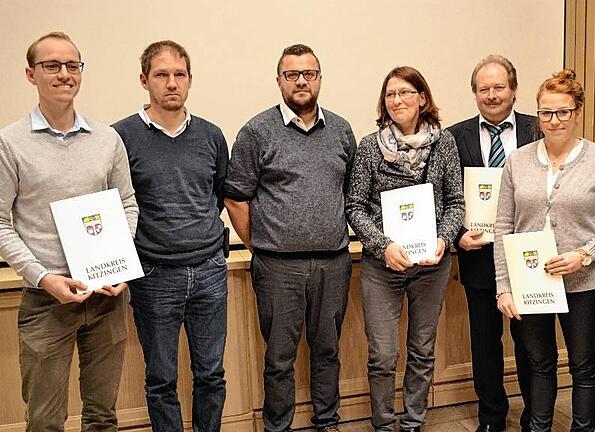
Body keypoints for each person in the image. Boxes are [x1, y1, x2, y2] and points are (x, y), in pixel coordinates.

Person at [0, 32, 138, 431]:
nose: (64, 74)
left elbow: (127, 204)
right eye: (52, 66)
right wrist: (44, 278)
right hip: (46, 302)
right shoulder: (9, 143)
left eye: (72, 65)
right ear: (31, 74)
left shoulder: (107, 138)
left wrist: (118, 265)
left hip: (106, 299)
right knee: (44, 420)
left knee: (102, 417)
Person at [224, 44, 357, 432]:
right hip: (277, 266)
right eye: (292, 74)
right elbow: (235, 197)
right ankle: (277, 426)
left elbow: (349, 191)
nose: (301, 81)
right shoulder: (256, 131)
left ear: (319, 79)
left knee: (328, 351)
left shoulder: (341, 130)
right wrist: (260, 245)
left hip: (334, 262)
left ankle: (327, 422)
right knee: (279, 357)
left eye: (309, 74)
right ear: (279, 80)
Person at [494, 69, 595, 432]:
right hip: (530, 284)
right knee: (539, 364)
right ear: (537, 114)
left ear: (577, 111)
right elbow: (504, 227)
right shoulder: (517, 161)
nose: (553, 120)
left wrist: (585, 255)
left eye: (562, 111)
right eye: (545, 112)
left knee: (583, 366)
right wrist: (504, 287)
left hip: (581, 284)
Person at [112, 40, 229, 432]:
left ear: (190, 80)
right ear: (144, 80)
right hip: (154, 275)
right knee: (161, 379)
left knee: (211, 374)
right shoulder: (121, 137)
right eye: (161, 75)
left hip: (210, 270)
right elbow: (116, 205)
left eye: (179, 74)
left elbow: (217, 197)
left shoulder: (212, 135)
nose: (172, 83)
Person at [346, 66, 464, 432]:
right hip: (383, 267)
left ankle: (413, 421)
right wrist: (384, 246)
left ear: (422, 98)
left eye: (405, 92)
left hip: (431, 265)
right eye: (390, 94)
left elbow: (456, 202)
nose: (397, 100)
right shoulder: (369, 146)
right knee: (383, 353)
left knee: (423, 350)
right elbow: (355, 206)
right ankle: (383, 424)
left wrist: (444, 238)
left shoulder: (444, 144)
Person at [448, 54, 535, 432]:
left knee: (532, 344)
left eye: (499, 87)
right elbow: (444, 195)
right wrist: (455, 236)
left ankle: (538, 414)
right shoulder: (454, 136)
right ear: (474, 94)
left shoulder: (538, 129)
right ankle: (491, 417)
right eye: (484, 89)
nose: (492, 95)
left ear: (514, 90)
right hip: (479, 255)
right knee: (485, 344)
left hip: (529, 254)